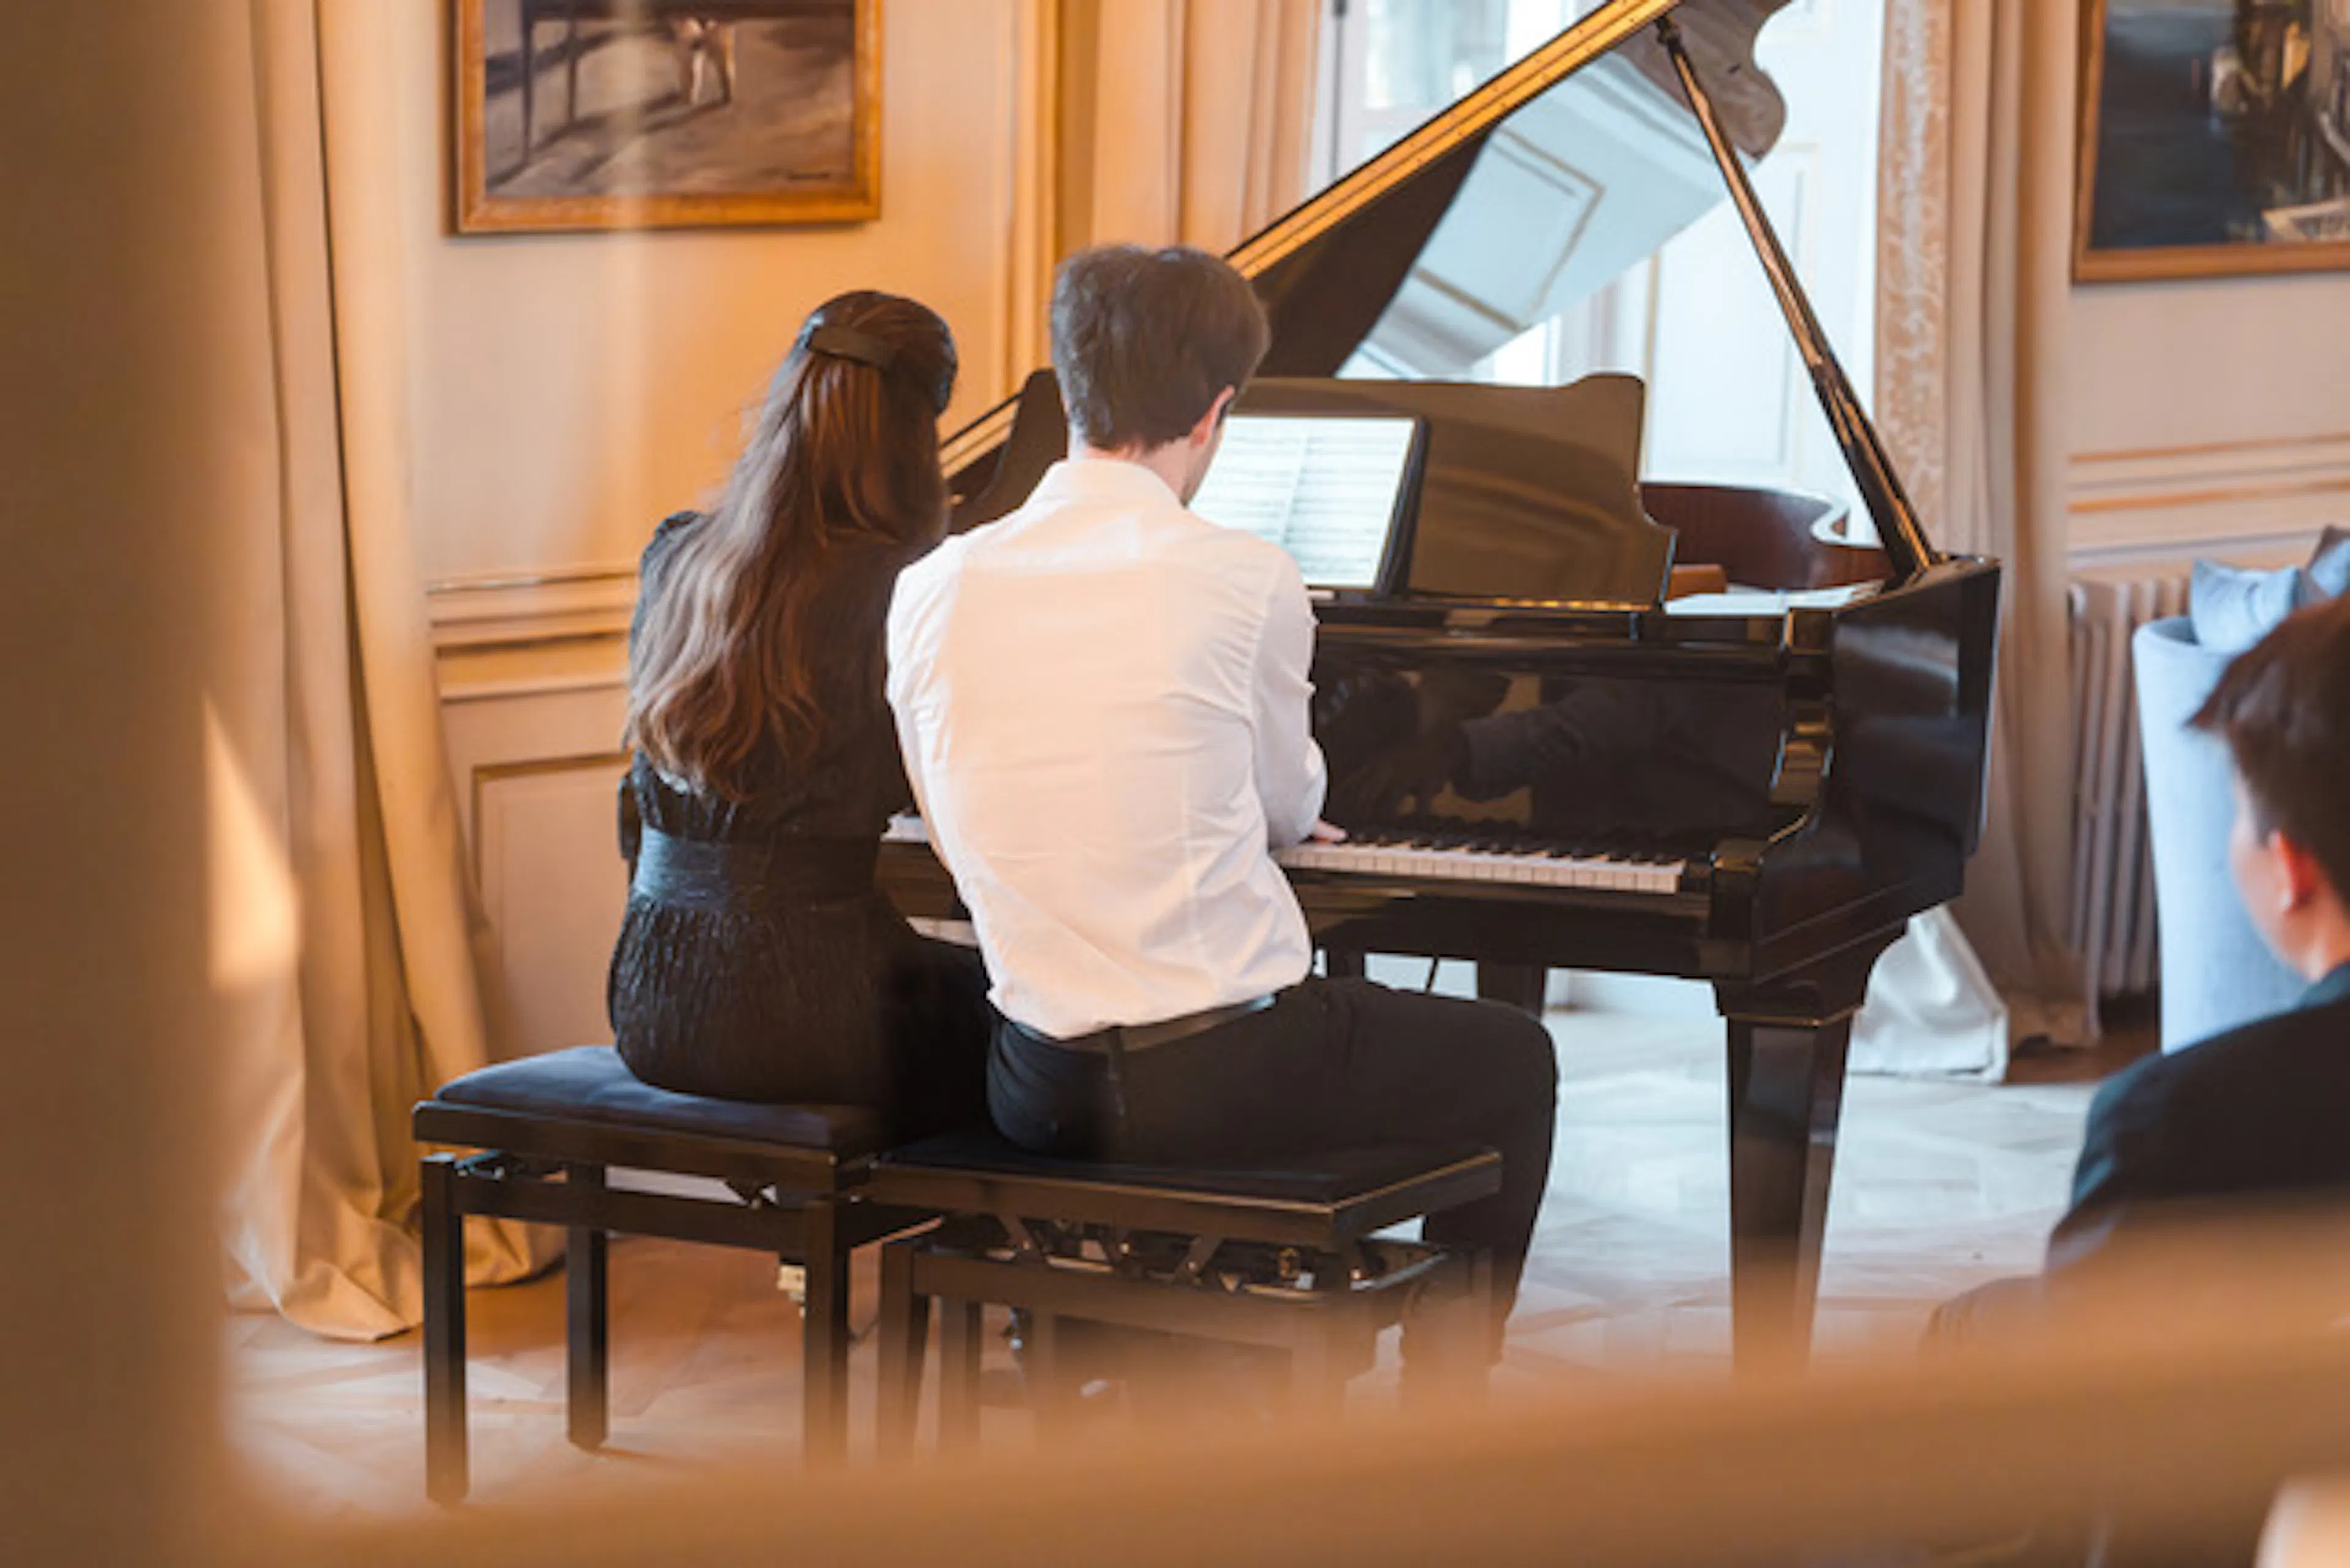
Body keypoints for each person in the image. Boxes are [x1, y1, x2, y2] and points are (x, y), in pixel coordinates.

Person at [884, 244, 1559, 1353]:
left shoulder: (933, 584)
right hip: (1216, 1081)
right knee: (1515, 1058)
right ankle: (1450, 1395)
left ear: (1068, 386)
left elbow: (950, 820)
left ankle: (1138, 1339)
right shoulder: (1247, 577)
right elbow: (1293, 806)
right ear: (1216, 413)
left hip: (1033, 1081)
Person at [608, 290, 988, 1132]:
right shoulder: (908, 586)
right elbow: (959, 797)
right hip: (822, 1011)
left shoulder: (678, 556)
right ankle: (973, 1259)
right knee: (1053, 1040)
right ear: (913, 439)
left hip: (651, 999)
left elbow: (636, 813)